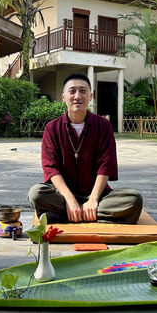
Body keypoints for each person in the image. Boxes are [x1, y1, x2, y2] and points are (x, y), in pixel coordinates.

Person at [28, 73, 143, 224]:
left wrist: (93, 199)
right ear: (63, 97)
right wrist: (69, 199)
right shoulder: (52, 128)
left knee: (133, 199)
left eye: (82, 91)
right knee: (36, 194)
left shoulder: (103, 126)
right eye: (72, 91)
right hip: (62, 196)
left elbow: (106, 166)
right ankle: (88, 214)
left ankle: (66, 215)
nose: (77, 96)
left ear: (91, 96)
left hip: (98, 196)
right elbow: (51, 168)